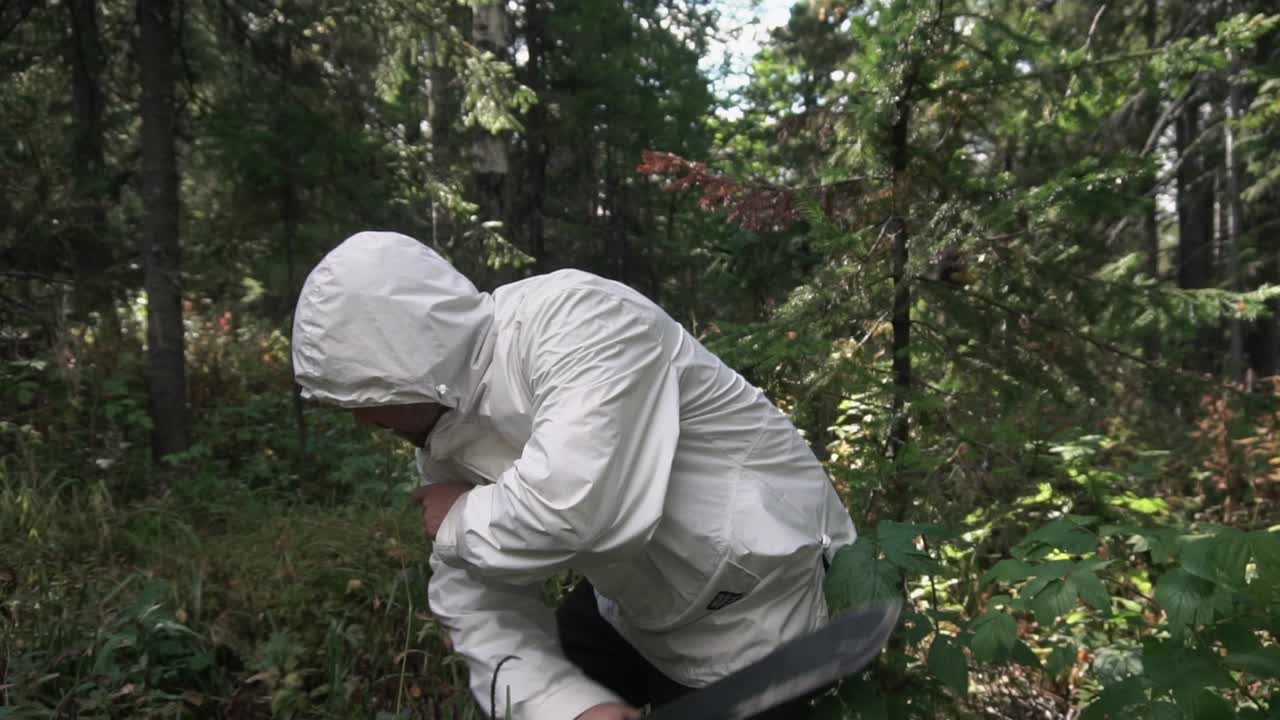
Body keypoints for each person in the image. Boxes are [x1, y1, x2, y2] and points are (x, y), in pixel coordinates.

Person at [291, 231, 858, 720]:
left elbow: (577, 509)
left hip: (769, 607)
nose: (365, 420)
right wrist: (572, 706)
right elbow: (476, 606)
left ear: (407, 360)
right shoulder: (442, 441)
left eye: (367, 396)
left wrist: (459, 518)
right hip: (642, 613)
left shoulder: (579, 319)